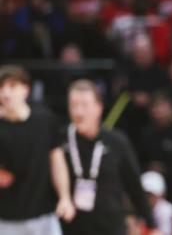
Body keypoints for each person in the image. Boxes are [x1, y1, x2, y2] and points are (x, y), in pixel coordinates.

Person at [62, 79, 157, 235]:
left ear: (99, 108)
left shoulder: (117, 141)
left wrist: (152, 224)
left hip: (110, 227)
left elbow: (134, 185)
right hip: (70, 228)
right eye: (74, 105)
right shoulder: (60, 140)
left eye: (85, 105)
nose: (79, 112)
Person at [0, 65, 75, 235]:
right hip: (5, 217)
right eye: (1, 87)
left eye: (12, 86)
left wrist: (64, 197)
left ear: (26, 89)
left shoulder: (45, 120)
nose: (6, 93)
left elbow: (57, 160)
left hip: (43, 215)